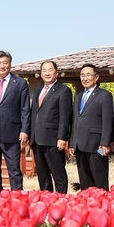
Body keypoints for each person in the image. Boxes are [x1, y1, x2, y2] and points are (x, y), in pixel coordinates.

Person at [0, 50, 30, 193]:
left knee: (14, 168)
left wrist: (24, 130)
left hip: (12, 132)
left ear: (10, 64)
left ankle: (16, 197)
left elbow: (25, 109)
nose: (2, 66)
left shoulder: (20, 83)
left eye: (5, 63)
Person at [30, 61, 72, 193]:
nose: (47, 73)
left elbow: (65, 117)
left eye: (50, 70)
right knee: (43, 175)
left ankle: (61, 202)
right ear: (40, 73)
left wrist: (62, 137)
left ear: (56, 73)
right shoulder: (37, 91)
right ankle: (46, 201)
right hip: (37, 139)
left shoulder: (63, 90)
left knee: (58, 174)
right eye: (44, 70)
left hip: (53, 140)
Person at [69, 63, 113, 191]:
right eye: (82, 75)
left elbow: (107, 121)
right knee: (85, 181)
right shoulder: (78, 97)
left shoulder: (104, 95)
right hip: (80, 145)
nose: (85, 78)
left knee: (99, 180)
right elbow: (75, 120)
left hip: (97, 146)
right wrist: (72, 143)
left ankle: (102, 207)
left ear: (96, 77)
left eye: (88, 75)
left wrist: (105, 143)